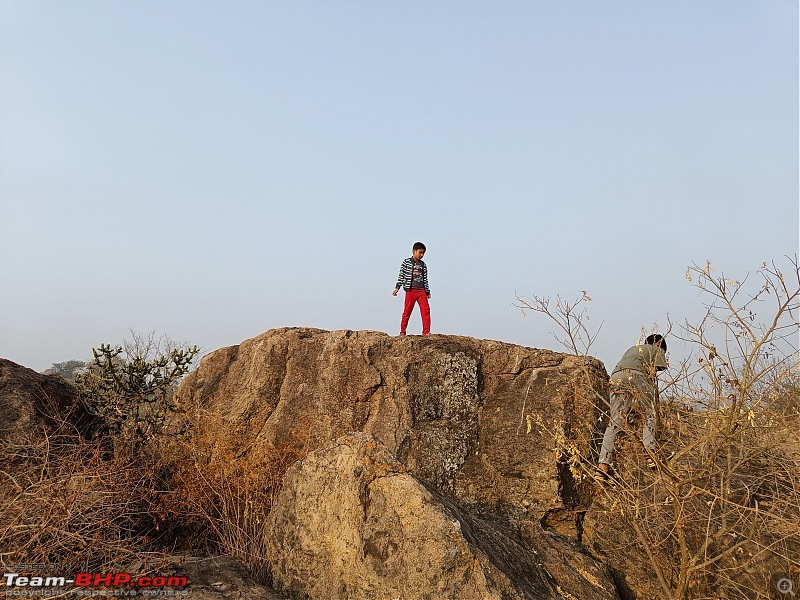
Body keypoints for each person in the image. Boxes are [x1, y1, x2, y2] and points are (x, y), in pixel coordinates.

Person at [596, 334, 668, 482]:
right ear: (659, 344)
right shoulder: (656, 349)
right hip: (636, 375)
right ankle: (651, 455)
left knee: (615, 422)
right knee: (649, 413)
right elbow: (653, 372)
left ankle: (602, 467)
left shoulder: (633, 349)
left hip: (616, 377)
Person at [392, 242, 431, 335]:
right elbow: (401, 275)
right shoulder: (406, 262)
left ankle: (426, 332)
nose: (421, 255)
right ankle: (402, 331)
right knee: (407, 311)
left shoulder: (423, 265)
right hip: (410, 291)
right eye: (420, 252)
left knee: (426, 310)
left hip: (421, 291)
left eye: (423, 253)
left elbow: (425, 279)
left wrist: (427, 291)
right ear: (414, 251)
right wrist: (397, 287)